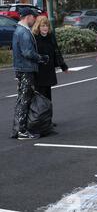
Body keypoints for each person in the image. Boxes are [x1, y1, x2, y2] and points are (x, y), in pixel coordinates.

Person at [11, 8, 49, 140]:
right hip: (26, 69)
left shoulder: (19, 30)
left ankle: (18, 129)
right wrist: (41, 58)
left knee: (22, 98)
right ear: (28, 17)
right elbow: (27, 52)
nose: (35, 19)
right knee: (25, 99)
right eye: (33, 17)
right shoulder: (24, 32)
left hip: (21, 68)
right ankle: (22, 131)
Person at [32, 16, 69, 102]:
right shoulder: (34, 37)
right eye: (42, 26)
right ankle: (41, 114)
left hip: (49, 69)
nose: (45, 28)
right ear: (38, 26)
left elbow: (57, 51)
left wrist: (63, 66)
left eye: (47, 25)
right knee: (40, 95)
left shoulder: (51, 36)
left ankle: (47, 113)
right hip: (38, 71)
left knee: (48, 95)